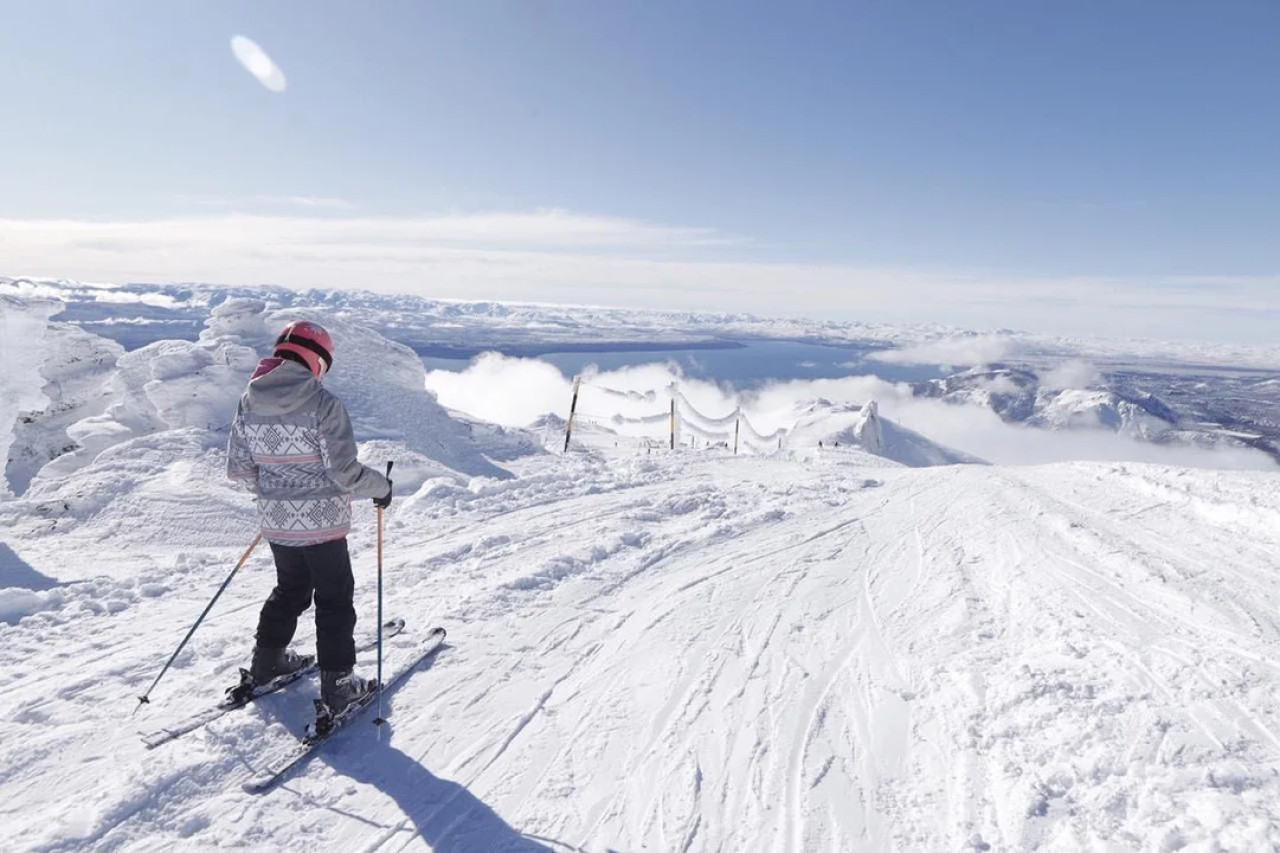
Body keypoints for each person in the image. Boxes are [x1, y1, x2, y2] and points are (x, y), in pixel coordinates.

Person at [226, 320, 393, 714]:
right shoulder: (323, 404)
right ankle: (338, 687)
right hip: (323, 523)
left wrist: (276, 493)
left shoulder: (248, 401)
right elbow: (344, 473)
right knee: (334, 599)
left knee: (291, 589)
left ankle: (267, 663)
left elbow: (239, 469)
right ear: (317, 359)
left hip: (276, 521)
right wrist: (383, 488)